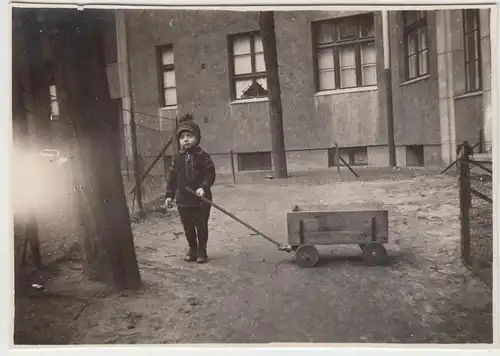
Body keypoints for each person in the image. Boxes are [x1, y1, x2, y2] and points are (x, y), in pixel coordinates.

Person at [165, 115, 216, 264]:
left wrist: (203, 187)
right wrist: (169, 195)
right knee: (187, 227)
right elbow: (172, 177)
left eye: (189, 136)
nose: (186, 139)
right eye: (182, 137)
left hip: (201, 199)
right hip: (183, 200)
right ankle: (192, 248)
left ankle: (202, 250)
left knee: (201, 225)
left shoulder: (203, 156)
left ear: (197, 138)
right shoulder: (177, 158)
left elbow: (210, 174)